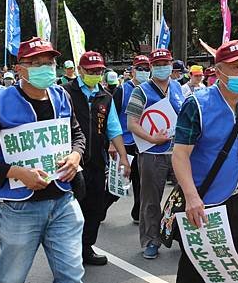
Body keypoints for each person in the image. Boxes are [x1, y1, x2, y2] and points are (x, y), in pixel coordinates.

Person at [0, 37, 86, 283]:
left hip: (63, 201)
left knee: (72, 276)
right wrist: (17, 173)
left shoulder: (62, 96)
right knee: (11, 277)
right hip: (19, 209)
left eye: (50, 62)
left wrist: (76, 154)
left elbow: (77, 134)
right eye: (36, 63)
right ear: (20, 69)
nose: (46, 67)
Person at [172, 40, 238, 282]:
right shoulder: (197, 105)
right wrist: (192, 197)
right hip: (206, 204)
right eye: (236, 68)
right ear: (218, 70)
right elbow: (180, 155)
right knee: (199, 270)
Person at [62, 51, 131, 266]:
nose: (95, 74)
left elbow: (114, 128)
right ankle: (67, 253)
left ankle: (86, 248)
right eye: (91, 71)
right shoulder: (65, 93)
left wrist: (123, 157)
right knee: (70, 210)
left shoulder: (105, 97)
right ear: (80, 70)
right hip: (70, 162)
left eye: (99, 71)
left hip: (97, 161)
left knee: (94, 207)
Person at [127, 48, 184, 259]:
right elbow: (131, 124)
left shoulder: (178, 87)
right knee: (151, 199)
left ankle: (181, 235)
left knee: (188, 193)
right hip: (152, 152)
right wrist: (153, 139)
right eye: (157, 65)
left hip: (178, 152)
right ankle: (151, 240)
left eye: (165, 64)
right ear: (151, 67)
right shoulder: (140, 91)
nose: (162, 68)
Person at [117, 54, 149, 224]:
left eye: (147, 69)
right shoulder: (123, 90)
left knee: (140, 180)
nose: (143, 72)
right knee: (120, 180)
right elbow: (112, 116)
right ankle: (98, 208)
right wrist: (112, 142)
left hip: (143, 142)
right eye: (140, 68)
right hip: (125, 142)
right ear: (133, 70)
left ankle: (137, 213)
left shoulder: (151, 90)